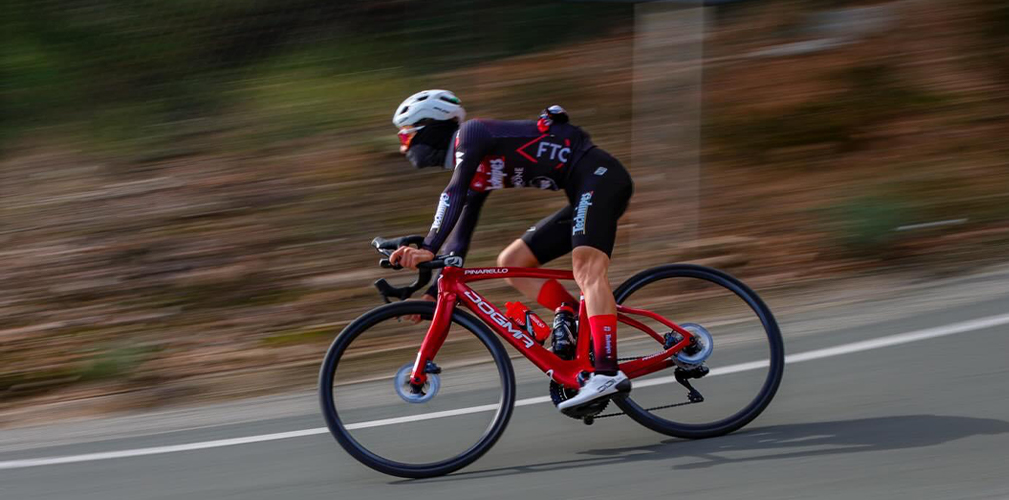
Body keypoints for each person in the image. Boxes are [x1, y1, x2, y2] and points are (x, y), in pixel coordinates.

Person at [388, 89, 633, 411]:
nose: (404, 146)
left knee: (587, 269)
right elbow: (459, 240)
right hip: (583, 188)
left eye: (407, 136)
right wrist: (434, 292)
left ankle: (606, 372)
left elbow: (454, 192)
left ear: (432, 126)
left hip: (600, 178)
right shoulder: (475, 170)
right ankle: (571, 319)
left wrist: (429, 247)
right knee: (513, 262)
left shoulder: (471, 134)